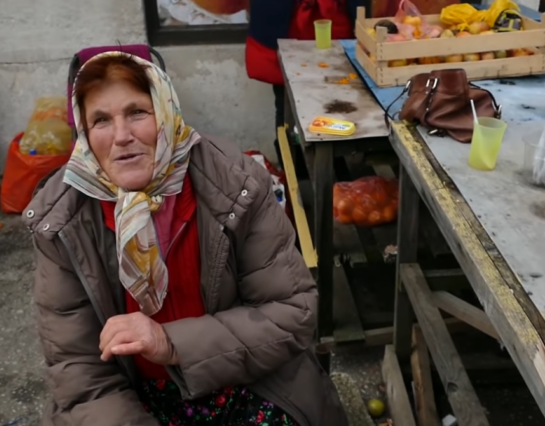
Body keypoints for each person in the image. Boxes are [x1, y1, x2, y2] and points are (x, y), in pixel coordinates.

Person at [23, 51, 348, 426]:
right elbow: (78, 369)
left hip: (245, 378)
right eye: (101, 120)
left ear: (166, 111)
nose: (122, 136)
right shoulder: (62, 220)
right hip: (132, 396)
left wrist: (171, 343)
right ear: (84, 132)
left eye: (137, 112)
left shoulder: (234, 183)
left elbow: (291, 312)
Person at [245, 0, 361, 139]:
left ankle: (339, 150)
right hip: (286, 30)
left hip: (336, 30)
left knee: (343, 106)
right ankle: (291, 150)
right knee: (287, 107)